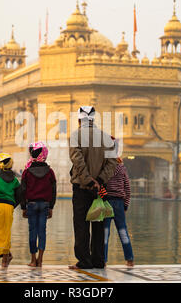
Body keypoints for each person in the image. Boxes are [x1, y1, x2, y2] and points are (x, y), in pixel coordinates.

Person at [68, 106, 117, 269]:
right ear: (94, 120)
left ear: (79, 120)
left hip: (82, 188)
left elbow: (78, 160)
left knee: (81, 225)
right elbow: (112, 162)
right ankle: (98, 260)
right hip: (100, 189)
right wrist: (100, 180)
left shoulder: (76, 136)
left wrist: (89, 181)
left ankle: (84, 261)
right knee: (98, 225)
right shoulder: (106, 138)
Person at [20, 142, 56, 267]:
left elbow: (23, 190)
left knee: (32, 231)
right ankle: (40, 260)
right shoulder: (50, 172)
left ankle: (33, 259)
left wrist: (23, 207)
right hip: (45, 204)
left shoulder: (27, 172)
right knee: (42, 231)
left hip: (32, 204)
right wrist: (51, 207)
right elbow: (53, 190)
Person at [103, 139, 134, 267]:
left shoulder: (104, 167)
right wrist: (126, 204)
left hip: (107, 202)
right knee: (123, 231)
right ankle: (129, 259)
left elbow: (101, 186)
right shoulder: (122, 167)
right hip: (119, 203)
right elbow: (127, 187)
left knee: (105, 233)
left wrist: (102, 197)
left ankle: (103, 260)